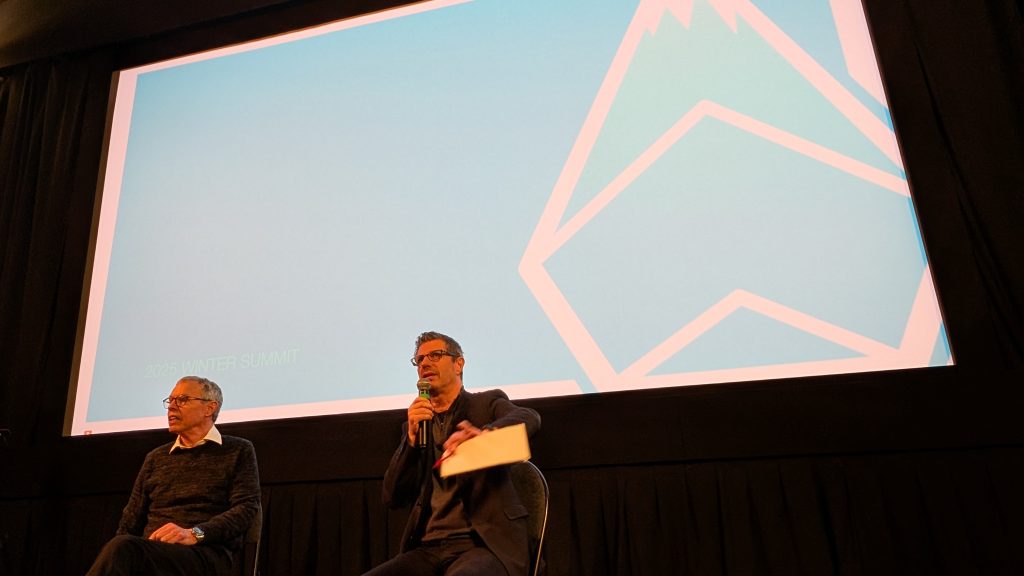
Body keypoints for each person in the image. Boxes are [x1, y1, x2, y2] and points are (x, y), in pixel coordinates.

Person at [364, 331, 542, 576]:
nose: (425, 364)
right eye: (419, 360)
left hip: (483, 545)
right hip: (428, 549)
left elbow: (530, 417)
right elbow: (392, 497)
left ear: (459, 364)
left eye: (435, 355)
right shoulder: (416, 426)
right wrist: (411, 442)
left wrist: (485, 434)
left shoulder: (485, 404)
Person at [85, 376, 261, 576]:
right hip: (150, 552)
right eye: (170, 401)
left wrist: (195, 533)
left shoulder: (238, 450)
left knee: (125, 549)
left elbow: (246, 509)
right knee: (121, 548)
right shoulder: (156, 457)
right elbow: (130, 520)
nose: (171, 407)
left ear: (209, 408)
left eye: (182, 400)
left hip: (203, 553)